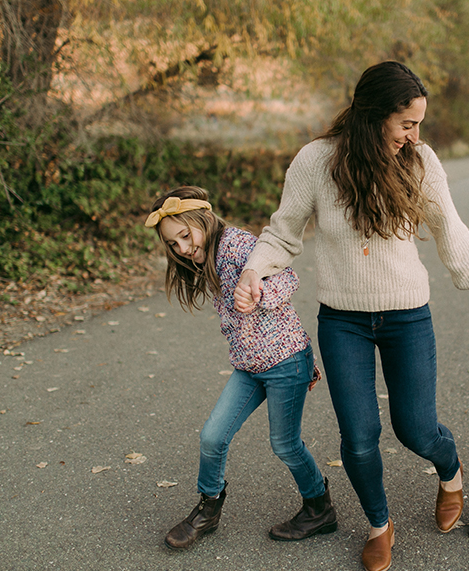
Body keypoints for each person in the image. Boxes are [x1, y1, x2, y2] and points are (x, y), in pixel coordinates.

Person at [234, 61, 469, 571]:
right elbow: (283, 232)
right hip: (343, 321)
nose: (415, 135)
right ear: (374, 116)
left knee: (417, 429)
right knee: (358, 438)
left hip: (407, 316)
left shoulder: (420, 162)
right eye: (407, 123)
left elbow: (451, 230)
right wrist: (254, 272)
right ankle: (379, 525)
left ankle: (450, 472)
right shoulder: (316, 161)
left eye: (419, 124)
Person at [144, 185, 337, 551]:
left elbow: (287, 277)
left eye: (186, 236)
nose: (183, 249)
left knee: (285, 444)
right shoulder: (207, 256)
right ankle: (208, 509)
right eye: (173, 244)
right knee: (213, 436)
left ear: (204, 219)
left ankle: (319, 507)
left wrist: (257, 291)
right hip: (249, 367)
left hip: (286, 361)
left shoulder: (236, 245)